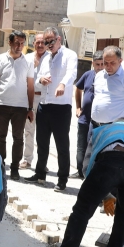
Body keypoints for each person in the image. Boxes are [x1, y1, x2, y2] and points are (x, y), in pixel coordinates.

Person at [23, 27, 78, 192]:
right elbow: (37, 80)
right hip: (44, 105)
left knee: (62, 145)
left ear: (59, 39)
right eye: (46, 43)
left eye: (51, 42)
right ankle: (40, 174)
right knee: (42, 143)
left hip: (61, 107)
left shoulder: (69, 55)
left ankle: (62, 179)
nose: (48, 45)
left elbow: (71, 73)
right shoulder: (46, 58)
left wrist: (62, 84)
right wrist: (41, 80)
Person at [0, 31, 35, 181]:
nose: (19, 46)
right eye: (16, 43)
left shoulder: (28, 62)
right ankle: (1, 166)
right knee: (0, 137)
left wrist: (30, 108)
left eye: (22, 43)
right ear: (9, 42)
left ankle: (15, 168)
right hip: (1, 105)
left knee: (18, 138)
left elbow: (30, 87)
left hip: (20, 107)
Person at [90, 46, 124, 126]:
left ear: (120, 61)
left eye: (112, 63)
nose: (108, 66)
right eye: (105, 63)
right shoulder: (99, 75)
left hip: (116, 126)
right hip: (95, 124)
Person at [71, 51, 104, 179]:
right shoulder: (87, 75)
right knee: (81, 146)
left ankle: (92, 173)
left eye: (102, 64)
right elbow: (78, 89)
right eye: (97, 64)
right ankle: (80, 171)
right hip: (84, 118)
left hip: (99, 121)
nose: (100, 67)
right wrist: (78, 107)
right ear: (93, 63)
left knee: (96, 148)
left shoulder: (108, 78)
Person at [21, 33, 47, 169]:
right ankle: (27, 159)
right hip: (30, 98)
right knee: (29, 130)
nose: (40, 45)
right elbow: (22, 77)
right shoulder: (27, 58)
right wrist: (33, 67)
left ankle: (42, 163)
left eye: (43, 42)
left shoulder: (51, 58)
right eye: (38, 42)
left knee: (44, 133)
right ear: (33, 43)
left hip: (45, 100)